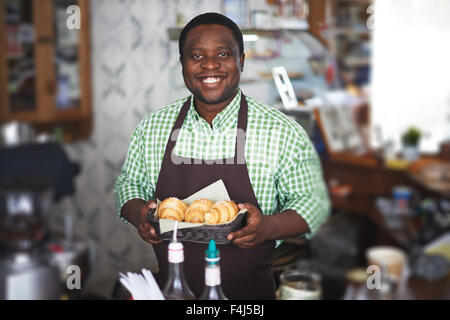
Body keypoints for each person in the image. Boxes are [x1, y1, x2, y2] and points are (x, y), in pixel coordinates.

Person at [114, 12, 330, 300]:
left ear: (241, 60)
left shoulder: (282, 131)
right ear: (182, 64)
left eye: (224, 54)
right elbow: (127, 185)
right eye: (197, 56)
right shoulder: (153, 127)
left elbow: (314, 203)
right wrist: (138, 213)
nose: (210, 65)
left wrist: (268, 227)